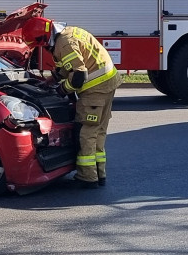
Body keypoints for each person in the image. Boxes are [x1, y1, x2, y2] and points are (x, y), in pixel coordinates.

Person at [22, 16, 121, 188]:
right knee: (98, 131)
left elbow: (78, 77)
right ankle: (99, 173)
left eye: (40, 44)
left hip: (95, 90)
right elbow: (68, 66)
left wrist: (61, 90)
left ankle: (87, 177)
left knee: (86, 132)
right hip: (107, 84)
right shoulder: (68, 34)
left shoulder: (64, 44)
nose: (43, 48)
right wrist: (51, 80)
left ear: (44, 37)